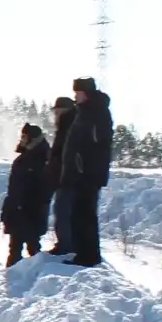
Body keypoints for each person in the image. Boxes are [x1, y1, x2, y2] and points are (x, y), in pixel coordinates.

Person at [66, 76, 114, 266]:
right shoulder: (85, 111)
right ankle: (82, 253)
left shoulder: (96, 111)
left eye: (77, 92)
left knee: (85, 216)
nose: (75, 96)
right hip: (82, 173)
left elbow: (96, 143)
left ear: (85, 93)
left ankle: (88, 256)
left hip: (89, 174)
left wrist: (82, 163)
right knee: (78, 215)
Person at [1, 123, 52, 266]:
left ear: (33, 138)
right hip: (17, 210)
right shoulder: (23, 158)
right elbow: (14, 187)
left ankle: (36, 275)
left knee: (33, 248)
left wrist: (34, 205)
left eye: (24, 136)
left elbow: (45, 187)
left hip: (32, 211)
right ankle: (12, 275)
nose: (21, 139)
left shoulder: (43, 158)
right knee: (14, 248)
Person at [46, 95, 77, 255]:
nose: (56, 116)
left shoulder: (70, 128)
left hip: (68, 179)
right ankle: (64, 244)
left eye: (58, 112)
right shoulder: (64, 129)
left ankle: (66, 246)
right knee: (61, 212)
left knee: (64, 213)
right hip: (62, 179)